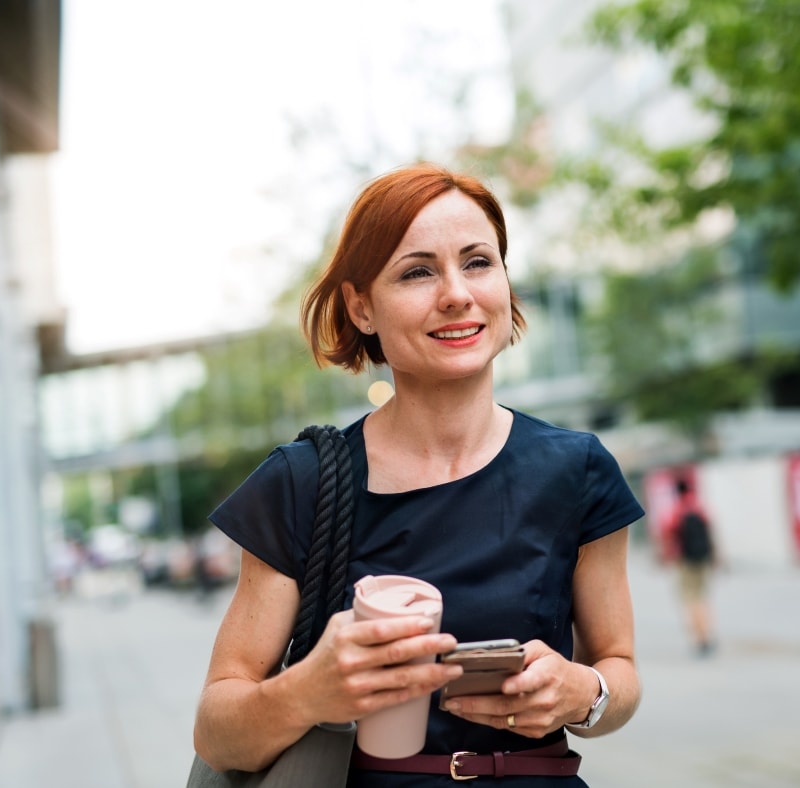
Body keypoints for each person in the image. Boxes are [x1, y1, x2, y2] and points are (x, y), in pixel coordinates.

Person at [192, 163, 645, 786]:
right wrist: (308, 691)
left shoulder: (578, 468)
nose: (457, 292)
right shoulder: (303, 483)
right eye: (417, 271)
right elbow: (217, 731)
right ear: (362, 307)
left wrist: (583, 693)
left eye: (479, 262)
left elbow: (618, 669)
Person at [659, 477, 717, 657]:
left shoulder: (675, 511)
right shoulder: (699, 508)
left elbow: (667, 536)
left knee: (689, 600)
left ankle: (699, 639)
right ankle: (707, 634)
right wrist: (715, 556)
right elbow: (711, 532)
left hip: (685, 562)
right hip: (702, 559)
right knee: (702, 597)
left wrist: (665, 557)